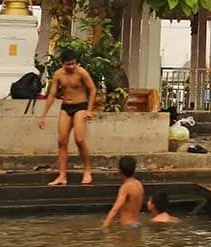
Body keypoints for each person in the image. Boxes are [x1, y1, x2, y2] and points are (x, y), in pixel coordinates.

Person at [38, 48, 96, 185]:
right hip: (66, 107)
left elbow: (92, 89)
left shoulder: (81, 72)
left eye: (73, 63)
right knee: (62, 140)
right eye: (68, 64)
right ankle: (62, 175)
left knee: (79, 139)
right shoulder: (58, 74)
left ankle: (87, 169)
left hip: (80, 106)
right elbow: (52, 94)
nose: (71, 67)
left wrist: (89, 109)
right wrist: (43, 115)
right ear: (63, 64)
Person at [101, 156, 145, 230]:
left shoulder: (125, 187)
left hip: (127, 226)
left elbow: (115, 208)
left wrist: (105, 225)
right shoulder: (139, 184)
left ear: (120, 171)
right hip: (137, 224)